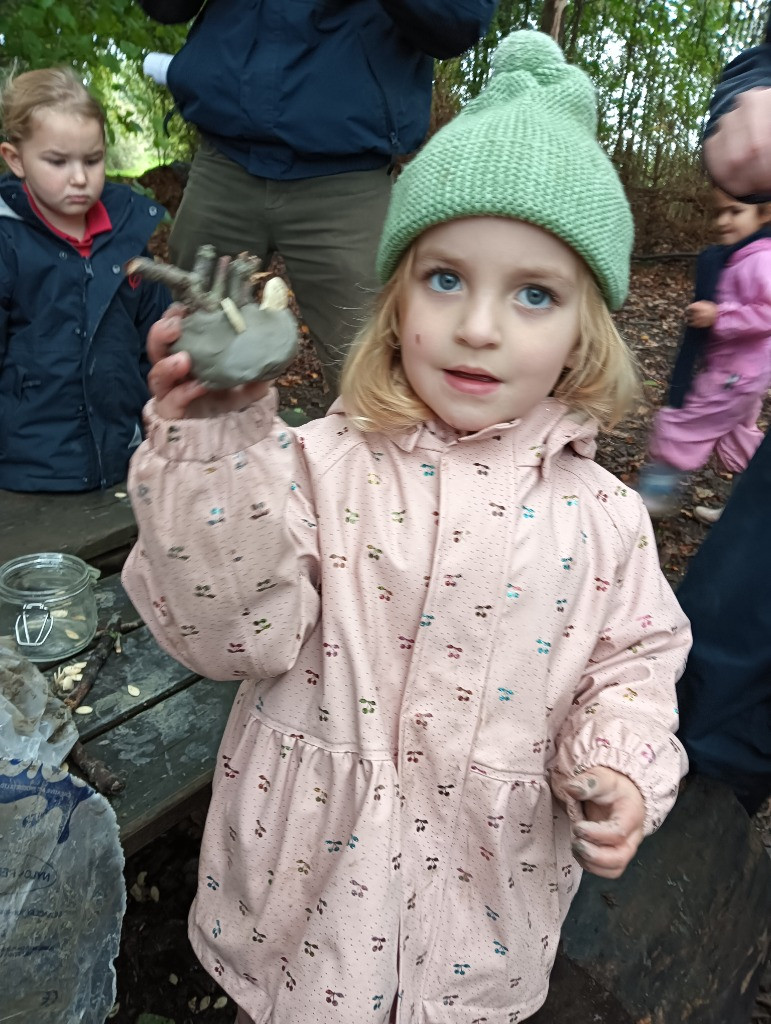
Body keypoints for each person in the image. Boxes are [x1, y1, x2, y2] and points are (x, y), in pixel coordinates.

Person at [122, 32, 690, 1024]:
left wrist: (619, 761)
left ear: (583, 328)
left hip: (480, 904)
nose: (479, 325)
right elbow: (229, 633)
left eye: (533, 293)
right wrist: (211, 453)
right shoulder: (316, 467)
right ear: (391, 301)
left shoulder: (602, 520)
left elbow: (634, 660)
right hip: (303, 896)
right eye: (444, 279)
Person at [135, 0, 496, 400]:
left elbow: (459, 22)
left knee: (377, 387)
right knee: (194, 369)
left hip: (349, 180)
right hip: (223, 162)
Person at [674, 13, 771, 819]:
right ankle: (689, 781)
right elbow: (755, 72)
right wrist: (748, 98)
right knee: (731, 618)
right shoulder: (741, 252)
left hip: (736, 383)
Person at [0, 67, 170, 493]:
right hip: (27, 465)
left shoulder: (126, 234)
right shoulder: (7, 240)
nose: (79, 177)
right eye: (57, 162)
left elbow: (157, 335)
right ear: (15, 158)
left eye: (92, 160)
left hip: (126, 454)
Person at [637, 186, 771, 522]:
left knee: (683, 423)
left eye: (735, 211)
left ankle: (649, 503)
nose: (723, 221)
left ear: (763, 214)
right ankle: (743, 512)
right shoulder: (741, 256)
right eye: (718, 212)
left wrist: (718, 316)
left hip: (735, 375)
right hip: (744, 374)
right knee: (740, 437)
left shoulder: (761, 259)